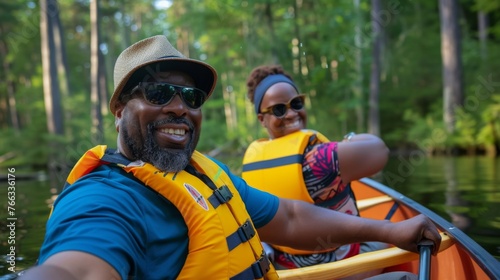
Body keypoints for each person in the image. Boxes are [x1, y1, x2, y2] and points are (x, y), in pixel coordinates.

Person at [19, 35, 441, 280]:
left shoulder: (206, 172)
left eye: (192, 96)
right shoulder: (105, 200)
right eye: (159, 92)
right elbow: (74, 270)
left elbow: (290, 219)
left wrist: (388, 233)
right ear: (118, 110)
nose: (179, 107)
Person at [242, 65, 390, 277]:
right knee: (389, 230)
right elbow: (379, 150)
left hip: (288, 266)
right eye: (279, 109)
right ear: (261, 118)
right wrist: (349, 138)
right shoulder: (320, 158)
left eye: (296, 103)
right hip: (341, 265)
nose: (292, 113)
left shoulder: (252, 163)